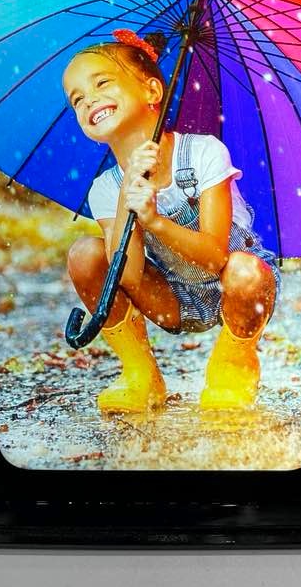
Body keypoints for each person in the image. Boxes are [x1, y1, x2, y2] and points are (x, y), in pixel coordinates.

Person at [62, 28, 280, 413]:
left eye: (102, 83)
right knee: (84, 254)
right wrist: (128, 194)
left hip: (229, 283)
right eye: (77, 99)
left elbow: (214, 257)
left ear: (151, 91)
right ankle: (140, 374)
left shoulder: (203, 153)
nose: (89, 100)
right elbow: (128, 276)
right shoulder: (106, 188)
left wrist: (155, 220)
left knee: (246, 272)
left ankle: (233, 364)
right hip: (171, 297)